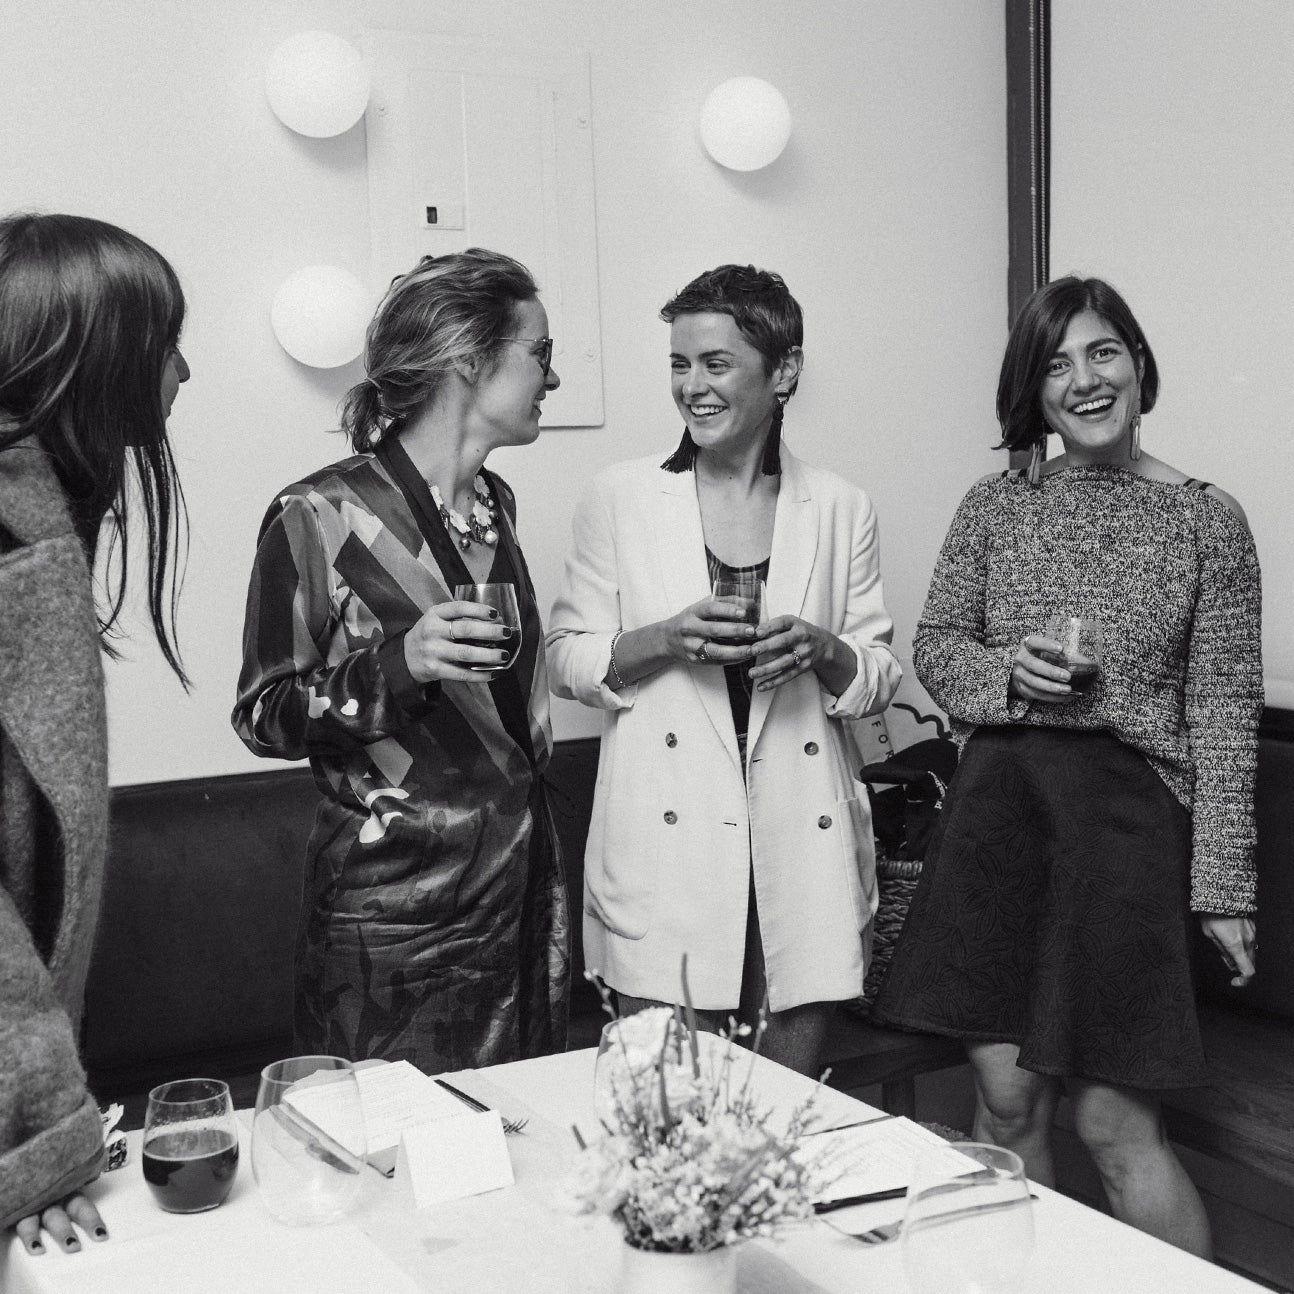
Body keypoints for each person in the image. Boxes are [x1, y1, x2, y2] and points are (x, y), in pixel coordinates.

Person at [872, 276, 1262, 1256]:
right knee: (1004, 1107)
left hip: (1122, 831)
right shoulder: (994, 505)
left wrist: (1224, 888)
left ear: (1137, 363)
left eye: (1102, 352)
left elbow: (1220, 712)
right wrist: (1009, 671)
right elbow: (939, 649)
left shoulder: (1205, 519)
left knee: (1114, 1126)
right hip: (997, 815)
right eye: (1055, 363)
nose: (1083, 380)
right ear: (1029, 390)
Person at [547, 264, 901, 1076]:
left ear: (784, 373)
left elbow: (878, 674)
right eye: (679, 363)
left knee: (785, 1128)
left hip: (799, 852)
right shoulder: (620, 496)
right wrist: (665, 639)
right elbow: (566, 659)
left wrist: (826, 650)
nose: (692, 387)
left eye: (715, 364)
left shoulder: (841, 505)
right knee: (663, 1125)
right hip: (666, 856)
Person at [232, 249, 569, 1074]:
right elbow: (261, 712)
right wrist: (399, 665)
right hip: (394, 918)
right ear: (467, 357)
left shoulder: (498, 503)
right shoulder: (316, 513)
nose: (552, 380)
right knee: (391, 1160)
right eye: (540, 353)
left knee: (519, 1145)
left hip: (521, 889)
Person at [0, 213, 190, 1253]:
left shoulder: (40, 532)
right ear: (88, 353)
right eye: (161, 339)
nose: (184, 371)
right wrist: (31, 1140)